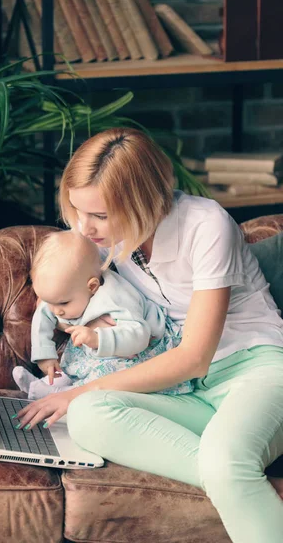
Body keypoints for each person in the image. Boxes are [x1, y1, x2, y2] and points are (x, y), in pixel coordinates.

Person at [17, 127, 283, 543]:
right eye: (77, 211)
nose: (85, 228)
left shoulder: (206, 224)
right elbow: (58, 288)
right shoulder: (109, 243)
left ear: (142, 201)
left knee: (224, 461)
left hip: (258, 371)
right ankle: (236, 480)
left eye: (100, 215)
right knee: (89, 415)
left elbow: (194, 355)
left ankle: (232, 472)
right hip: (192, 391)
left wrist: (75, 392)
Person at [13, 230, 192, 399]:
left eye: (63, 304)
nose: (55, 310)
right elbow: (42, 316)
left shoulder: (116, 297)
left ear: (92, 287)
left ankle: (64, 394)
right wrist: (46, 355)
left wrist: (98, 339)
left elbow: (140, 335)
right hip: (97, 343)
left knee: (110, 371)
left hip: (145, 347)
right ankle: (49, 383)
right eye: (48, 301)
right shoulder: (62, 294)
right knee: (73, 362)